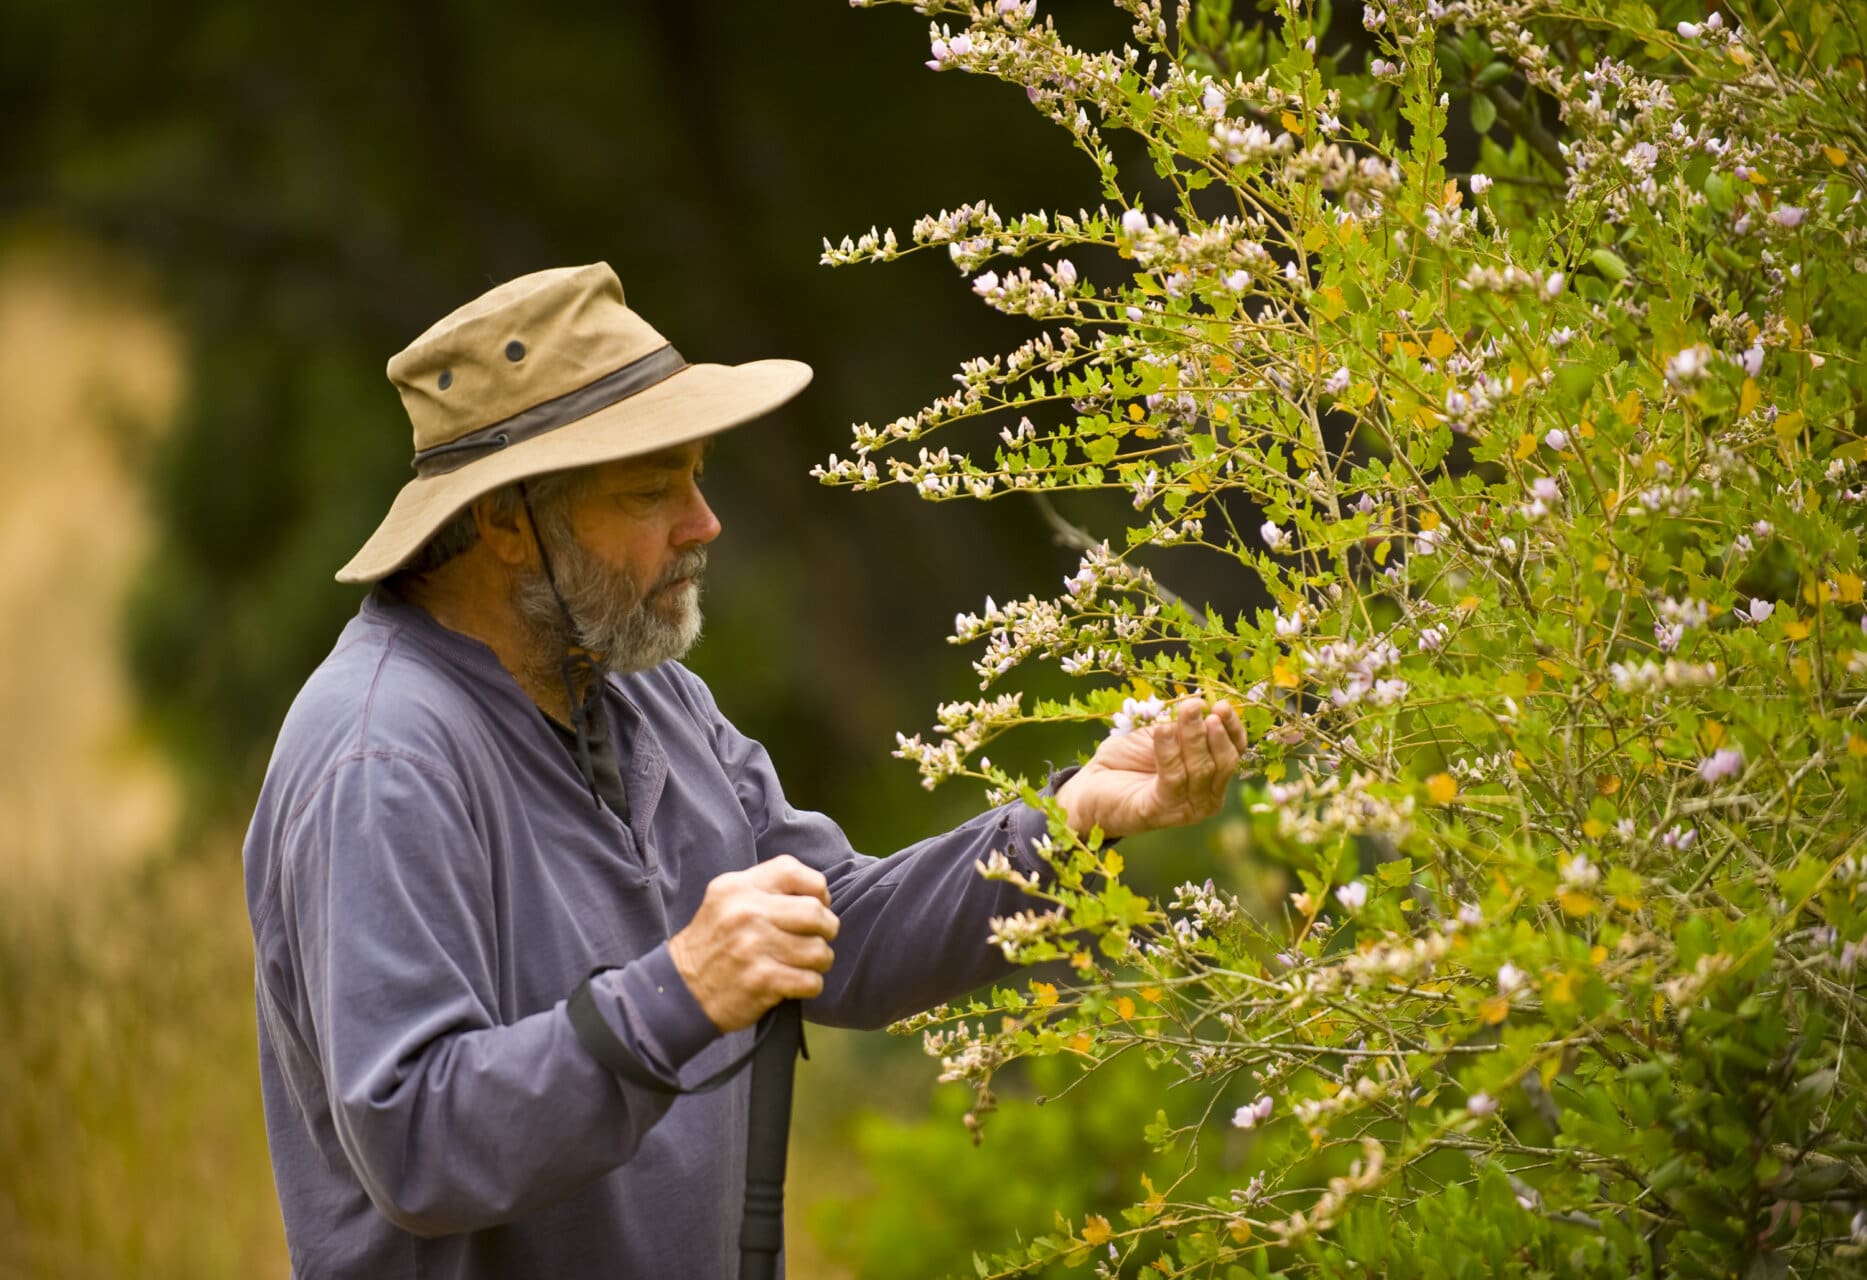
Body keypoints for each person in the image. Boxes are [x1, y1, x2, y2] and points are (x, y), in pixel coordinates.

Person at [242, 263, 1246, 1278]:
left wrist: (1070, 820)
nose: (702, 521)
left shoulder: (641, 691)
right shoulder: (381, 758)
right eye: (651, 489)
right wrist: (678, 990)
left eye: (696, 473)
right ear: (506, 521)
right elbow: (415, 1143)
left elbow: (838, 932)